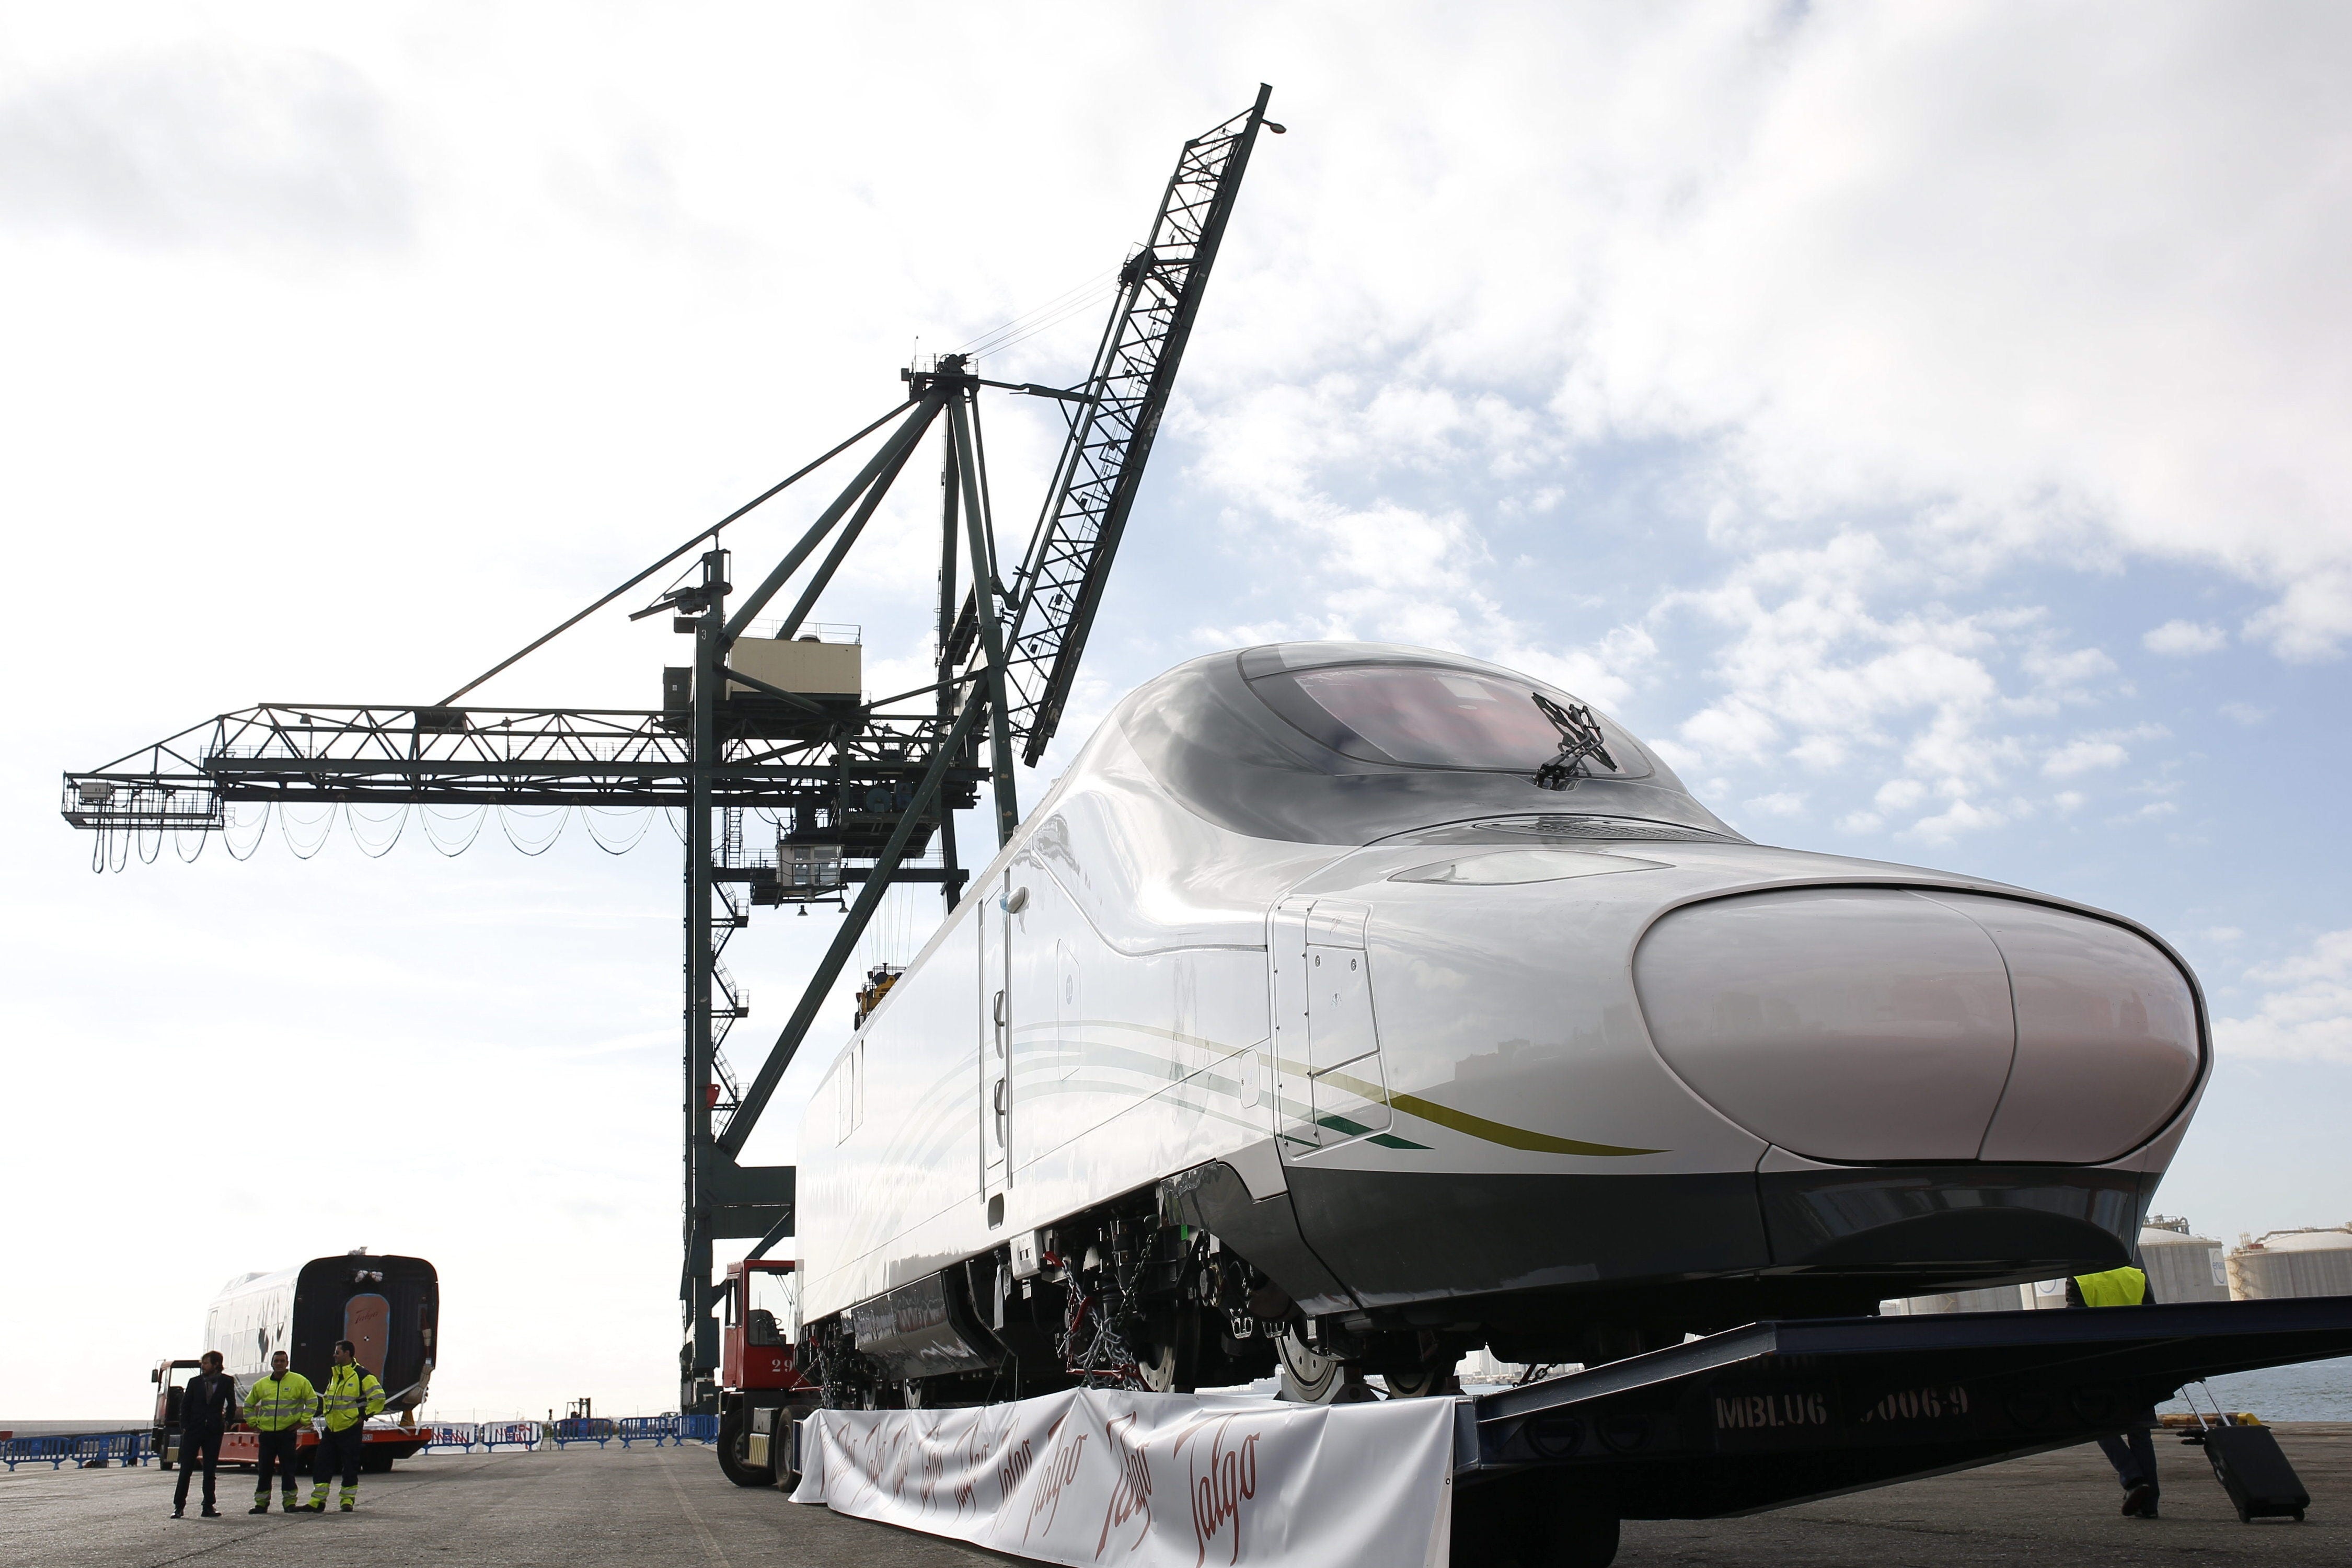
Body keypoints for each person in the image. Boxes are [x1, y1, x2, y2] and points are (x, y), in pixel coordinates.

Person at [2069, 1263, 2160, 1517]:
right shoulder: (2136, 1277)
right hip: (2139, 1363)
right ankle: (2150, 1504)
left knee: (2095, 1423)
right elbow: (2154, 1319)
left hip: (2102, 1366)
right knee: (2141, 1433)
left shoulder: (2081, 1279)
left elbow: (2073, 1325)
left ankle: (2132, 1479)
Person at [306, 1341, 385, 1513]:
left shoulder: (362, 1375)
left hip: (350, 1429)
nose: (334, 1355)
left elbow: (379, 1397)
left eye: (338, 1352)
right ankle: (317, 1501)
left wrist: (364, 1416)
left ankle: (347, 1501)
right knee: (321, 1464)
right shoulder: (335, 1376)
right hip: (331, 1429)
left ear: (348, 1354)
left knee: (350, 1466)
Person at [244, 1349, 317, 1514]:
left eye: (282, 1361)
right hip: (267, 1434)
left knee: (288, 1470)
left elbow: (313, 1402)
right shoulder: (262, 1384)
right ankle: (261, 1504)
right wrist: (253, 1423)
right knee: (264, 1470)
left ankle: (290, 1503)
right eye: (276, 1361)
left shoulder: (300, 1381)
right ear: (272, 1363)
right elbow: (248, 1405)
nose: (279, 1364)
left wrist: (302, 1422)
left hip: (287, 1433)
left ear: (287, 1363)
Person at [171, 1351, 239, 1518]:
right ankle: (179, 1507)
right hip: (194, 1430)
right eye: (203, 1363)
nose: (203, 1366)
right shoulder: (195, 1382)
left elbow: (231, 1404)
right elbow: (185, 1406)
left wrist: (227, 1422)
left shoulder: (226, 1381)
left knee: (210, 1470)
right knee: (186, 1469)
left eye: (206, 1363)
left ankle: (208, 1506)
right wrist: (185, 1426)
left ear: (216, 1364)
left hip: (213, 1432)